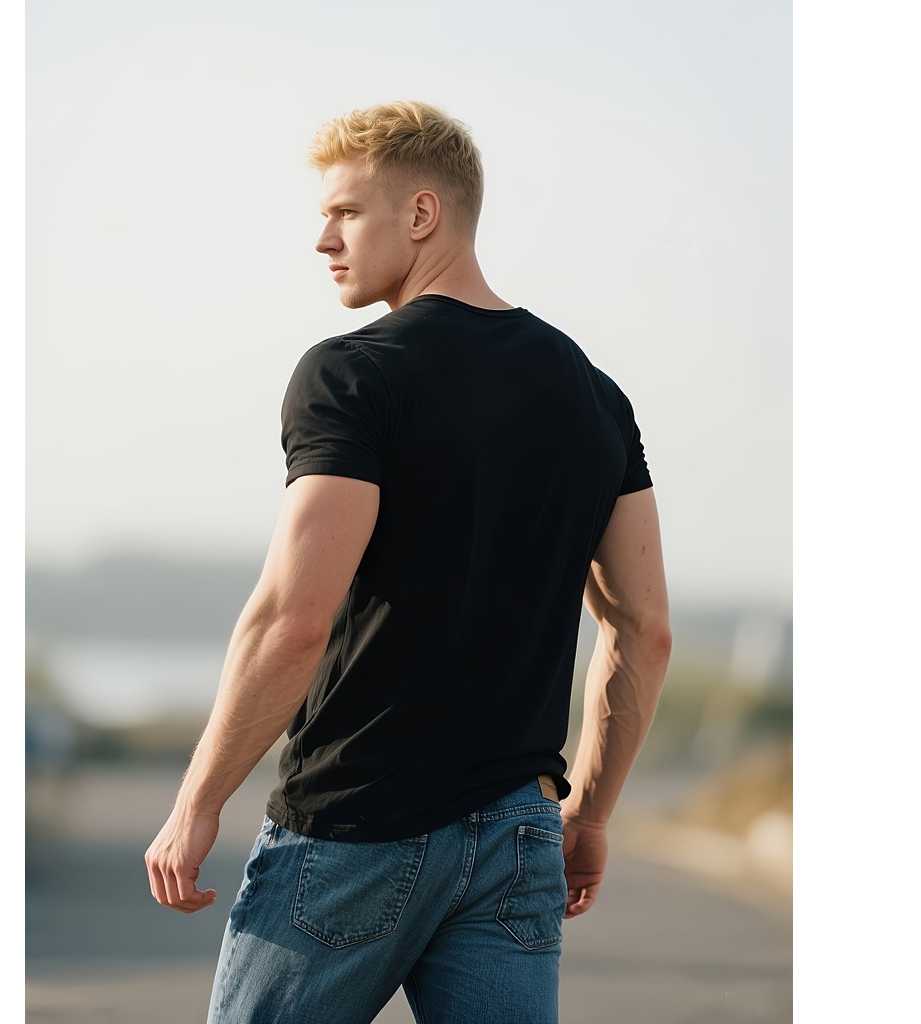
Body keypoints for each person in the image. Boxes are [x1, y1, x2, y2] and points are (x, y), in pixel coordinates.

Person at [145, 99, 672, 1024]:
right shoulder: (596, 396)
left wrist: (197, 801)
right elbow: (645, 630)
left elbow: (292, 620)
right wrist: (588, 814)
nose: (323, 240)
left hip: (357, 825)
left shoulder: (353, 375)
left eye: (346, 212)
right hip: (517, 835)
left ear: (422, 213)